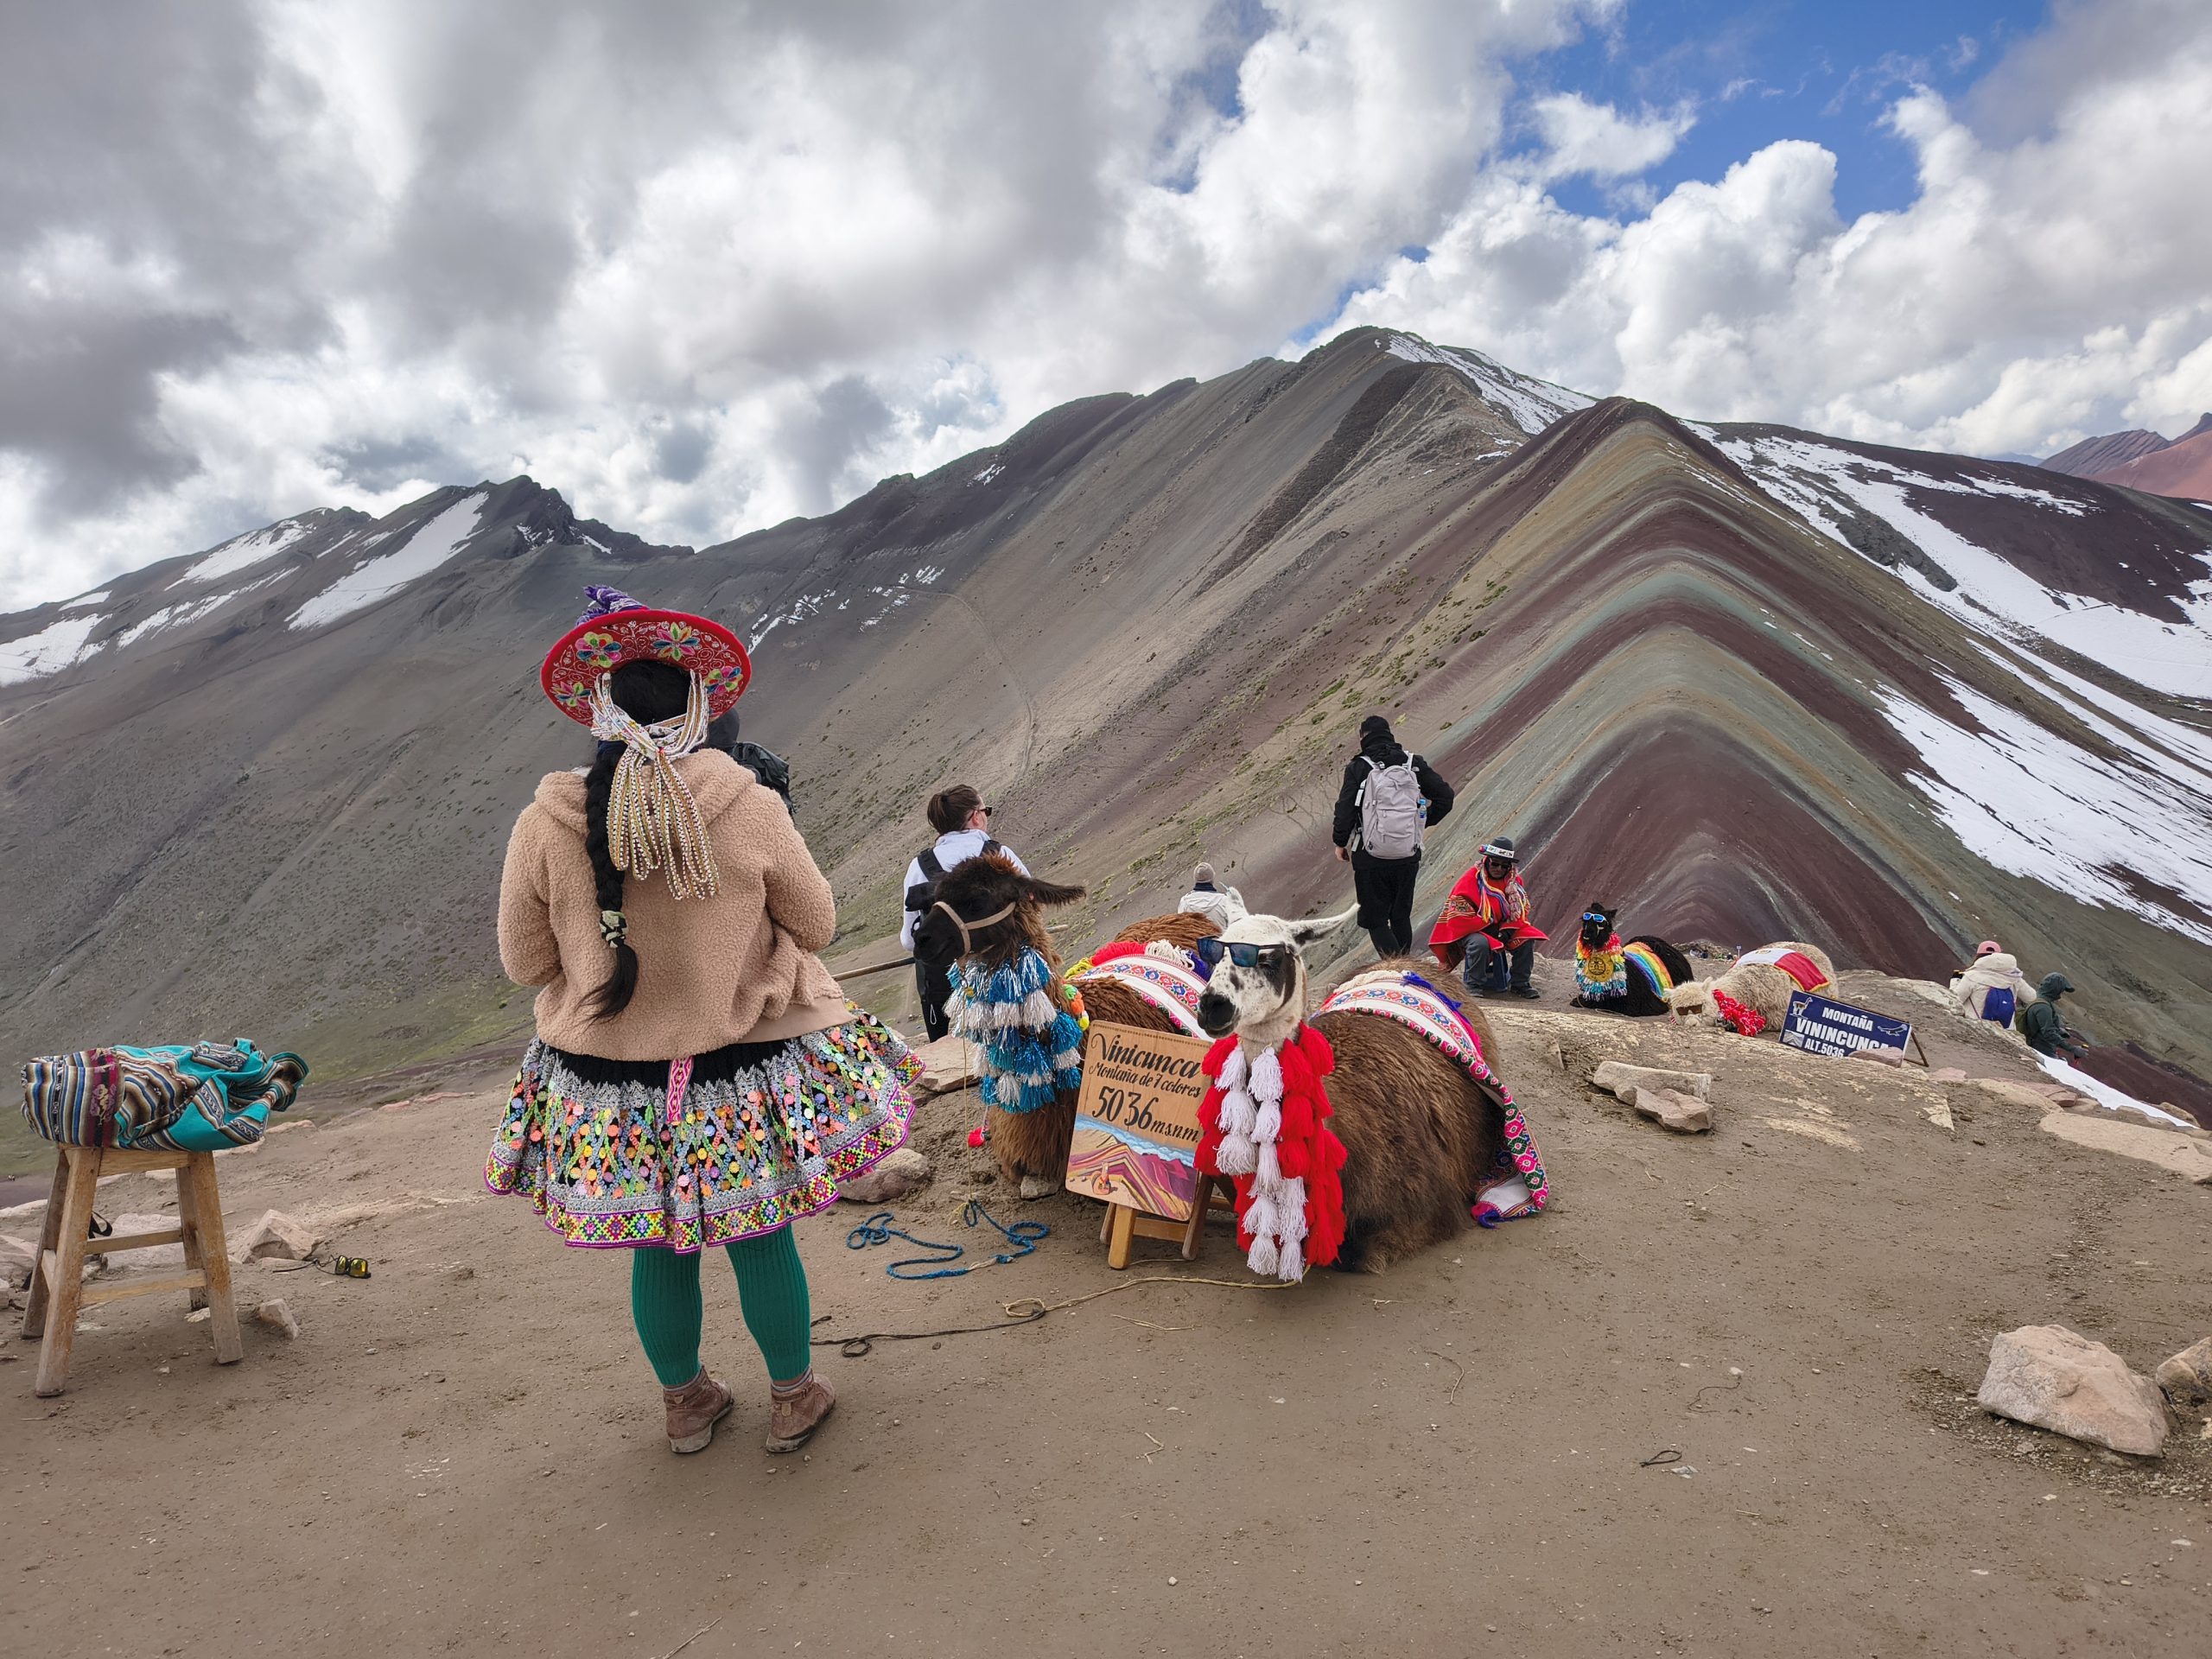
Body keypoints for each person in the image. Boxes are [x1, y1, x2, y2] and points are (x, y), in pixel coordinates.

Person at [488, 585, 919, 1456]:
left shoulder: (546, 819)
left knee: (660, 1245)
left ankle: (687, 1404)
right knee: (761, 1235)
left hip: (608, 1084)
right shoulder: (751, 803)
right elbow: (818, 926)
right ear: (699, 706)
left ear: (600, 709)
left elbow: (528, 966)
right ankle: (794, 1397)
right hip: (737, 1071)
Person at [900, 785, 1029, 1040]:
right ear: (974, 816)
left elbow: (908, 940)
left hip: (944, 989)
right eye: (986, 811)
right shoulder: (1000, 855)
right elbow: (1030, 908)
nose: (985, 817)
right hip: (1005, 978)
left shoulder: (919, 867)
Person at [1331, 715, 1455, 959]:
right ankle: (1405, 965)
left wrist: (1339, 842)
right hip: (1407, 855)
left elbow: (1344, 809)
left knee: (1375, 919)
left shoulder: (1359, 767)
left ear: (1363, 737)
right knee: (1400, 916)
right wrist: (1418, 823)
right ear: (1390, 734)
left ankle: (1398, 968)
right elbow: (1445, 797)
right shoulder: (1412, 763)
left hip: (1369, 855)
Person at [1430, 837, 1546, 999]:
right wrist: (1487, 926)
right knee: (1480, 943)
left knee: (1527, 939)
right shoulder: (1470, 880)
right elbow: (1458, 918)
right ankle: (1473, 984)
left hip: (1502, 928)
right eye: (1495, 863)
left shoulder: (1514, 883)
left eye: (1504, 865)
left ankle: (1520, 983)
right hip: (1471, 929)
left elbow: (1520, 911)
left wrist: (1506, 930)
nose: (1499, 868)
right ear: (1487, 860)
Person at [1948, 946, 2035, 1030]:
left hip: (1975, 1026)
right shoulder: (2014, 979)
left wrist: (1955, 981)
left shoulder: (1972, 976)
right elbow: (2031, 997)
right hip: (2006, 1030)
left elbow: (1956, 1000)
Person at [2020, 971, 2088, 1058]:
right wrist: (2073, 1049)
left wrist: (2058, 1030)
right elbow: (2048, 1033)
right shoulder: (2043, 1007)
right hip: (2041, 1049)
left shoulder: (2037, 998)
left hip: (2038, 1046)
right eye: (2062, 990)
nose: (2061, 994)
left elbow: (2039, 1025)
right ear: (2056, 989)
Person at [1177, 861, 1248, 930]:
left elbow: (1182, 929)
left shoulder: (1184, 903)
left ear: (1195, 879)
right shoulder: (1224, 901)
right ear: (1212, 878)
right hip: (1221, 940)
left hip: (1194, 941)